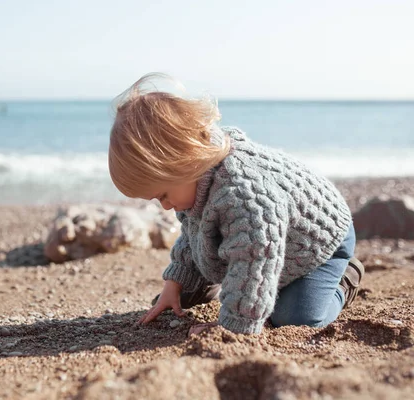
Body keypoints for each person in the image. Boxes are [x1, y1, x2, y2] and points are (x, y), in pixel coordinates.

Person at [107, 73, 364, 335]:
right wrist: (174, 283)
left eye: (163, 196)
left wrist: (230, 328)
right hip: (268, 239)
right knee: (195, 284)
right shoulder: (194, 179)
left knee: (294, 317)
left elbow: (254, 261)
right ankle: (215, 282)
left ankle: (344, 280)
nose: (164, 206)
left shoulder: (245, 196)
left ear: (187, 162)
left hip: (319, 243)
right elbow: (191, 233)